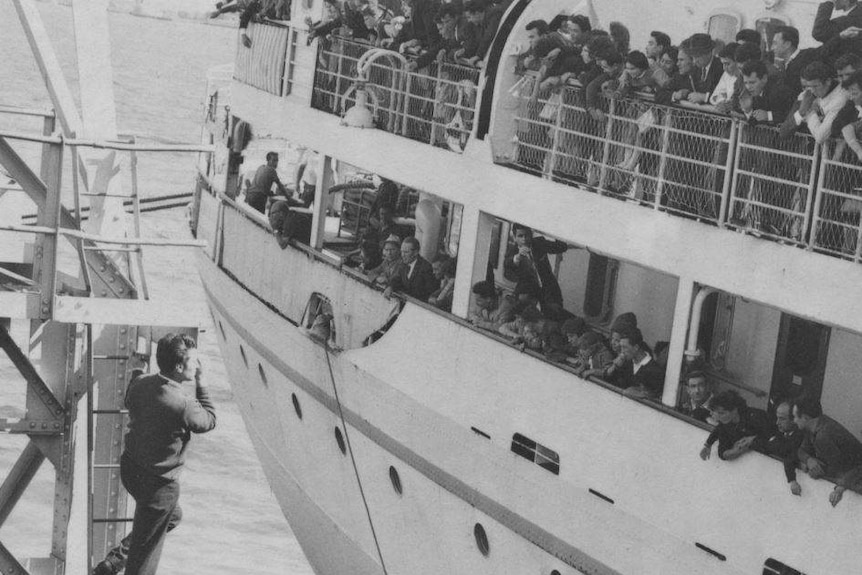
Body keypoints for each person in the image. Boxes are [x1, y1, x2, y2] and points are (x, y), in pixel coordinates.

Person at [94, 334, 217, 575]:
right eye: (194, 362)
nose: (197, 365)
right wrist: (202, 383)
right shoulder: (183, 403)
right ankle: (107, 569)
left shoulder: (141, 383)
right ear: (179, 367)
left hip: (131, 471)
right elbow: (209, 421)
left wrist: (137, 368)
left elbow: (130, 395)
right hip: (159, 487)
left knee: (171, 517)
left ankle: (114, 562)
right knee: (144, 559)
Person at [793, 395, 862, 505]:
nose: (794, 420)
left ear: (805, 417)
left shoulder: (823, 436)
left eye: (795, 417)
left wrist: (816, 471)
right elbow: (801, 451)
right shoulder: (813, 427)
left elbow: (836, 469)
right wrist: (809, 460)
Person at [502, 224, 568, 316]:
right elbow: (507, 265)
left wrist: (555, 229)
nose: (524, 239)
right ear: (514, 237)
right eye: (520, 236)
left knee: (556, 314)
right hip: (527, 291)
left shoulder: (539, 243)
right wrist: (518, 257)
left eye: (526, 235)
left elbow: (562, 247)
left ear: (531, 235)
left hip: (549, 288)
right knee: (523, 314)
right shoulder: (512, 252)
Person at [780, 61, 848, 143]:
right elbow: (783, 132)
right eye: (809, 86)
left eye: (815, 86)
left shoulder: (841, 97)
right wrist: (801, 112)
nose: (812, 91)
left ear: (828, 81)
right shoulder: (807, 94)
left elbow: (820, 137)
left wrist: (809, 112)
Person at [699, 390, 773, 461]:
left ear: (735, 410)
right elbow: (722, 452)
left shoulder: (756, 417)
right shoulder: (725, 425)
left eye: (722, 413)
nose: (718, 417)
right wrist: (736, 451)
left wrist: (753, 439)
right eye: (715, 413)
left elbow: (773, 436)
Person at [764, 400, 805, 496]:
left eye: (782, 419)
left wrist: (792, 480)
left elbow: (789, 456)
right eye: (777, 418)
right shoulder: (781, 432)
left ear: (793, 419)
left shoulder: (800, 436)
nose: (777, 422)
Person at [619, 327, 665, 400]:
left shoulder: (655, 371)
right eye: (621, 347)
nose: (622, 351)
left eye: (625, 347)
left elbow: (652, 396)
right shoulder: (626, 363)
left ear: (636, 347)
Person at [771, 26, 819, 96]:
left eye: (775, 43)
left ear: (787, 44)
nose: (772, 47)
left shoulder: (805, 58)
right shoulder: (784, 65)